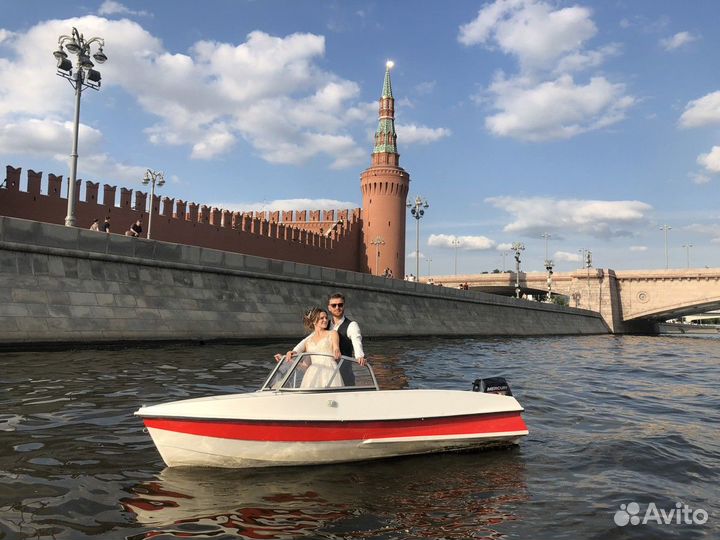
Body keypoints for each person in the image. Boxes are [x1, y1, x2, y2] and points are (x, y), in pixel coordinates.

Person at [278, 307, 342, 389]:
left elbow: (336, 347)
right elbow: (305, 366)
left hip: (329, 370)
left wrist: (337, 350)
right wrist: (288, 360)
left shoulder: (332, 333)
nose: (325, 320)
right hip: (312, 373)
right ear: (314, 321)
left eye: (326, 317)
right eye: (322, 318)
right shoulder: (308, 341)